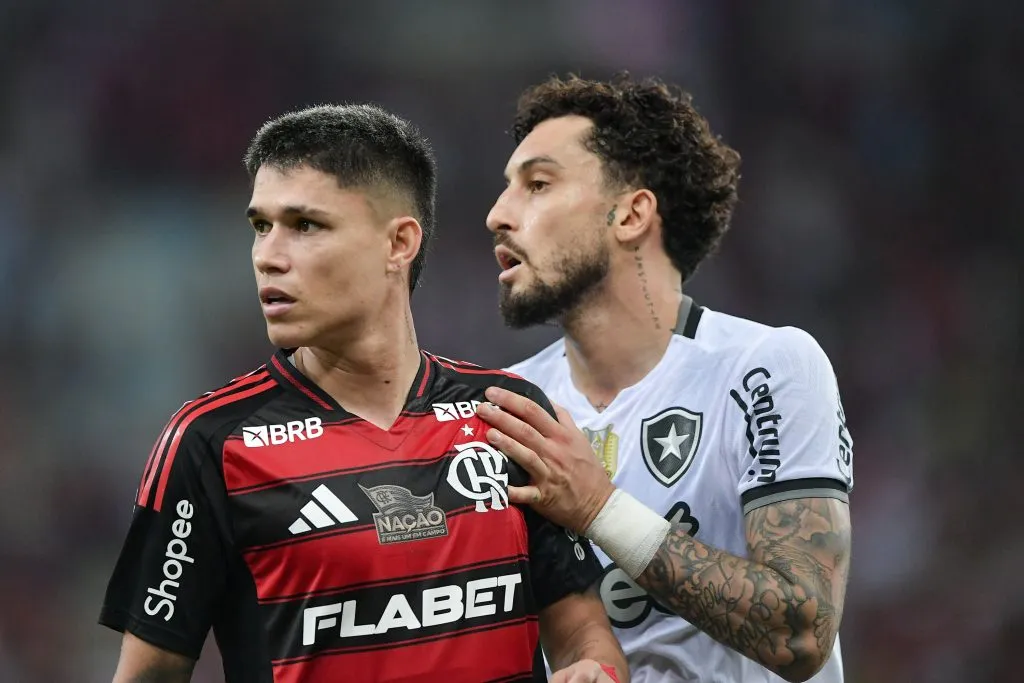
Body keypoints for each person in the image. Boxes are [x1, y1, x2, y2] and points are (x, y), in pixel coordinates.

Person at [99, 103, 628, 683]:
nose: (268, 256)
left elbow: (583, 634)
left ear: (398, 244)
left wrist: (595, 671)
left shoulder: (507, 415)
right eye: (260, 226)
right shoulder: (211, 442)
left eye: (305, 225)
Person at [475, 74, 853, 683]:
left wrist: (598, 508)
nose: (497, 215)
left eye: (538, 184)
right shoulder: (508, 409)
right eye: (506, 189)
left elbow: (801, 634)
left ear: (630, 214)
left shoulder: (767, 366)